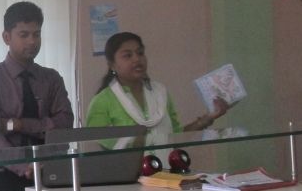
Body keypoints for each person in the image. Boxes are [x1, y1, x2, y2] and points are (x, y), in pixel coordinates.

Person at [0, 1, 74, 191]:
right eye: (24, 35)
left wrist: (19, 124)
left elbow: (65, 123)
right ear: (6, 37)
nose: (32, 41)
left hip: (50, 172)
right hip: (6, 176)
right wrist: (24, 165)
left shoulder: (51, 78)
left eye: (36, 34)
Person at [85, 32, 229, 152]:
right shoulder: (102, 101)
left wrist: (209, 117)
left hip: (166, 172)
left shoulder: (160, 92)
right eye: (128, 55)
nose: (137, 59)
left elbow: (175, 137)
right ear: (112, 65)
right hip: (127, 175)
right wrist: (140, 140)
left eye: (140, 53)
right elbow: (102, 147)